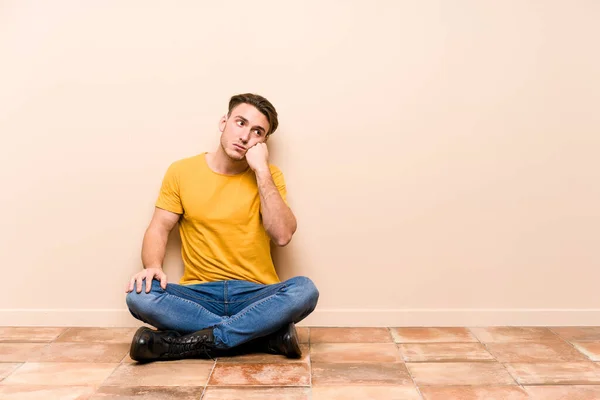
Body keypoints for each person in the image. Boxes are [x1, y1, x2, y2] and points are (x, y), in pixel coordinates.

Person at [124, 93, 319, 362]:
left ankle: (192, 342)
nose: (245, 136)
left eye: (257, 132)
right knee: (139, 296)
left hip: (255, 293)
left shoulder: (270, 177)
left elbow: (283, 235)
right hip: (198, 294)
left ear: (263, 142)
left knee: (305, 290)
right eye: (240, 123)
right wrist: (153, 266)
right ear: (224, 122)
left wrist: (262, 171)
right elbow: (159, 227)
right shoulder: (181, 171)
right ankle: (262, 336)